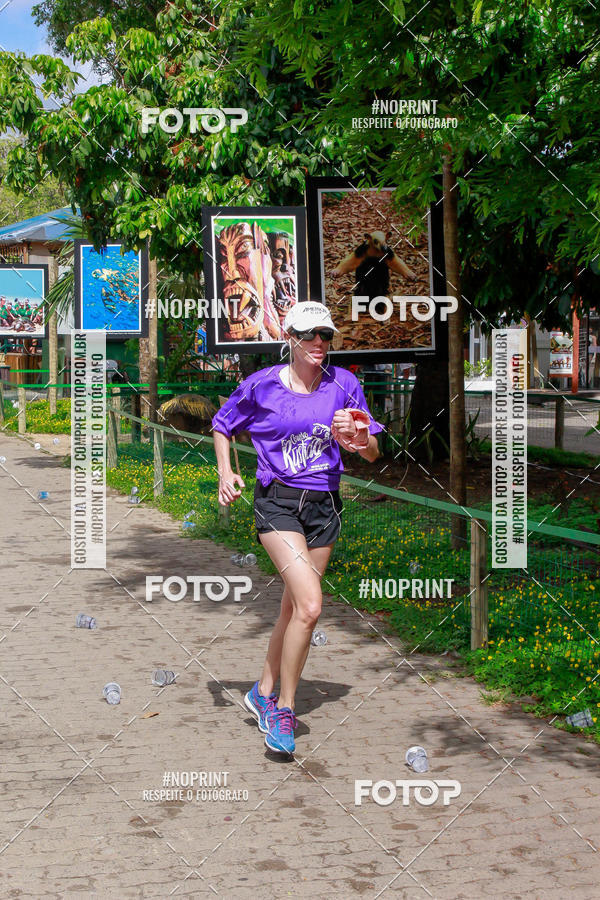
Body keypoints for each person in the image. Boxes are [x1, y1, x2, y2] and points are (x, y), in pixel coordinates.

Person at [212, 302, 383, 755]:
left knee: (292, 610)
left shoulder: (343, 385)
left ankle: (261, 692)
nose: (318, 344)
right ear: (290, 337)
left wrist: (358, 437)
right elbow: (222, 424)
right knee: (310, 606)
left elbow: (372, 454)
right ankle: (284, 710)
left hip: (325, 506)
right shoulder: (263, 385)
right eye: (309, 335)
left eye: (325, 335)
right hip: (278, 504)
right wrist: (225, 473)